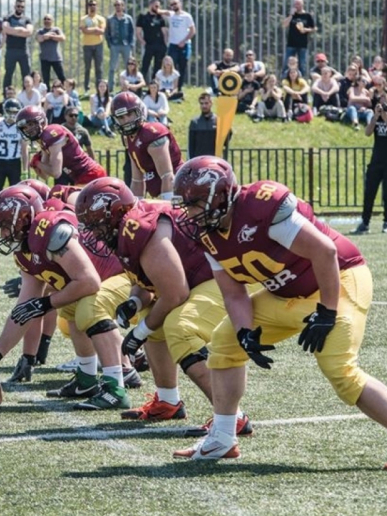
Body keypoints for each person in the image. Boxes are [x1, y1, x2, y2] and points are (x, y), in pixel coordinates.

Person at [172, 156, 387, 471]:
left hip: (338, 279)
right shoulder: (208, 233)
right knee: (227, 340)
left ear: (220, 195)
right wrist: (245, 331)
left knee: (339, 368)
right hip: (286, 291)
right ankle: (223, 437)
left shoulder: (261, 207)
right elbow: (233, 292)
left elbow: (325, 251)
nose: (189, 211)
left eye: (196, 202)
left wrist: (327, 311)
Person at [75, 177, 253, 431]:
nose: (93, 233)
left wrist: (139, 332)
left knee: (180, 328)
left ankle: (232, 417)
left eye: (96, 224)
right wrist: (135, 301)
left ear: (114, 214)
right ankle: (168, 401)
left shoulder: (136, 228)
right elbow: (150, 281)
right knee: (153, 316)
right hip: (199, 276)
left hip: (224, 276)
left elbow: (175, 294)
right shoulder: (129, 226)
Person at [0, 186, 138, 409]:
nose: (2, 234)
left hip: (127, 276)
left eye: (4, 226)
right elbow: (24, 308)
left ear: (22, 218)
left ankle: (115, 389)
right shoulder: (25, 252)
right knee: (70, 309)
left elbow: (89, 281)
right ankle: (86, 380)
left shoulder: (49, 231)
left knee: (88, 308)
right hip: (102, 281)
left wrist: (45, 303)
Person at [111, 92, 181, 199]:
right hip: (160, 192)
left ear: (140, 111)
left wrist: (167, 207)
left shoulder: (152, 133)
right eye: (121, 117)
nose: (126, 121)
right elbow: (137, 181)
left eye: (129, 114)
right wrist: (135, 209)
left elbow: (168, 176)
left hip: (179, 190)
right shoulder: (129, 138)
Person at [353, 92, 387, 235]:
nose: (383, 104)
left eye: (386, 100)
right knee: (369, 192)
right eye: (381, 101)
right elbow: (367, 133)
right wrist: (375, 117)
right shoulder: (375, 116)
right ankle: (365, 223)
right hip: (376, 160)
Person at [17, 105, 106, 185]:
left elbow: (56, 173)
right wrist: (36, 165)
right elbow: (46, 176)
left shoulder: (51, 133)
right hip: (80, 176)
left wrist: (37, 162)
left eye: (31, 124)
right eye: (25, 127)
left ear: (41, 121)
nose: (28, 129)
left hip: (90, 174)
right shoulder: (43, 139)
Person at [0, 98, 28, 196]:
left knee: (15, 193)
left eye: (15, 112)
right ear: (5, 111)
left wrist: (25, 169)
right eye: (10, 111)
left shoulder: (21, 127)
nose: (12, 114)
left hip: (15, 162)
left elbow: (24, 150)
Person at [161, 0, 196, 97]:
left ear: (180, 4)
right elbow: (160, 11)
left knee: (182, 66)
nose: (174, 5)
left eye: (175, 3)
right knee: (171, 66)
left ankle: (179, 89)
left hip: (184, 45)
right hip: (173, 45)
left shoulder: (186, 16)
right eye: (172, 4)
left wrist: (184, 41)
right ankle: (170, 87)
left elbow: (193, 31)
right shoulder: (171, 15)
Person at [2, 0, 33, 95]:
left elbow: (29, 32)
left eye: (22, 7)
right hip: (11, 50)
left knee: (26, 73)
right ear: (15, 6)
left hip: (23, 51)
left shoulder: (27, 19)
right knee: (8, 74)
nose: (20, 8)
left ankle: (27, 93)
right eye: (18, 6)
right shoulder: (8, 18)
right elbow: (6, 29)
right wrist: (20, 30)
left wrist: (14, 31)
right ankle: (6, 94)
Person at [105, 0, 135, 92]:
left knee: (129, 66)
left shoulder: (128, 18)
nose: (118, 7)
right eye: (116, 5)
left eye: (119, 5)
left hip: (126, 45)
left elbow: (132, 32)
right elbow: (107, 33)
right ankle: (110, 88)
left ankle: (130, 85)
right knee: (112, 67)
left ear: (123, 6)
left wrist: (131, 44)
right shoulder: (110, 19)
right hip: (115, 45)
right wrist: (110, 44)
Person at [136, 0, 167, 83]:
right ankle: (140, 83)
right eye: (156, 6)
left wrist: (165, 44)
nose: (158, 8)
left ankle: (154, 84)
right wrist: (143, 42)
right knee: (145, 65)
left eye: (159, 6)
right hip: (149, 44)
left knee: (157, 66)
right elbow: (138, 32)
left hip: (160, 44)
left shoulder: (160, 17)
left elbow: (164, 31)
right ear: (150, 5)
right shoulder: (143, 17)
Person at [79, 0, 107, 94]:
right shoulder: (84, 19)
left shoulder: (101, 19)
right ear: (88, 7)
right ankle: (86, 89)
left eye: (94, 5)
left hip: (98, 44)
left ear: (96, 6)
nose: (92, 6)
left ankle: (99, 88)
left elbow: (102, 31)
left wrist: (90, 29)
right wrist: (95, 29)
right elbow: (84, 31)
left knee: (98, 68)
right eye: (90, 5)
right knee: (87, 67)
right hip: (87, 45)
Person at [282, 0, 316, 75]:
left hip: (303, 44)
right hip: (291, 43)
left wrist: (306, 30)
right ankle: (285, 79)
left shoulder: (307, 15)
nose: (296, 6)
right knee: (287, 63)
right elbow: (284, 25)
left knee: (302, 64)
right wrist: (291, 15)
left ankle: (302, 80)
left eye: (298, 4)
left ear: (302, 4)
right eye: (295, 4)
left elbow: (314, 28)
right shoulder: (291, 15)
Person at [36, 14, 65, 88]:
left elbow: (62, 38)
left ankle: (65, 92)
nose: (46, 20)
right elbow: (40, 39)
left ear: (52, 21)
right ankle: (47, 94)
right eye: (45, 19)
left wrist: (50, 36)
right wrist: (49, 35)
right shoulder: (40, 31)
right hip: (44, 58)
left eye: (48, 19)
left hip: (56, 58)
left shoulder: (56, 30)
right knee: (46, 79)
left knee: (61, 77)